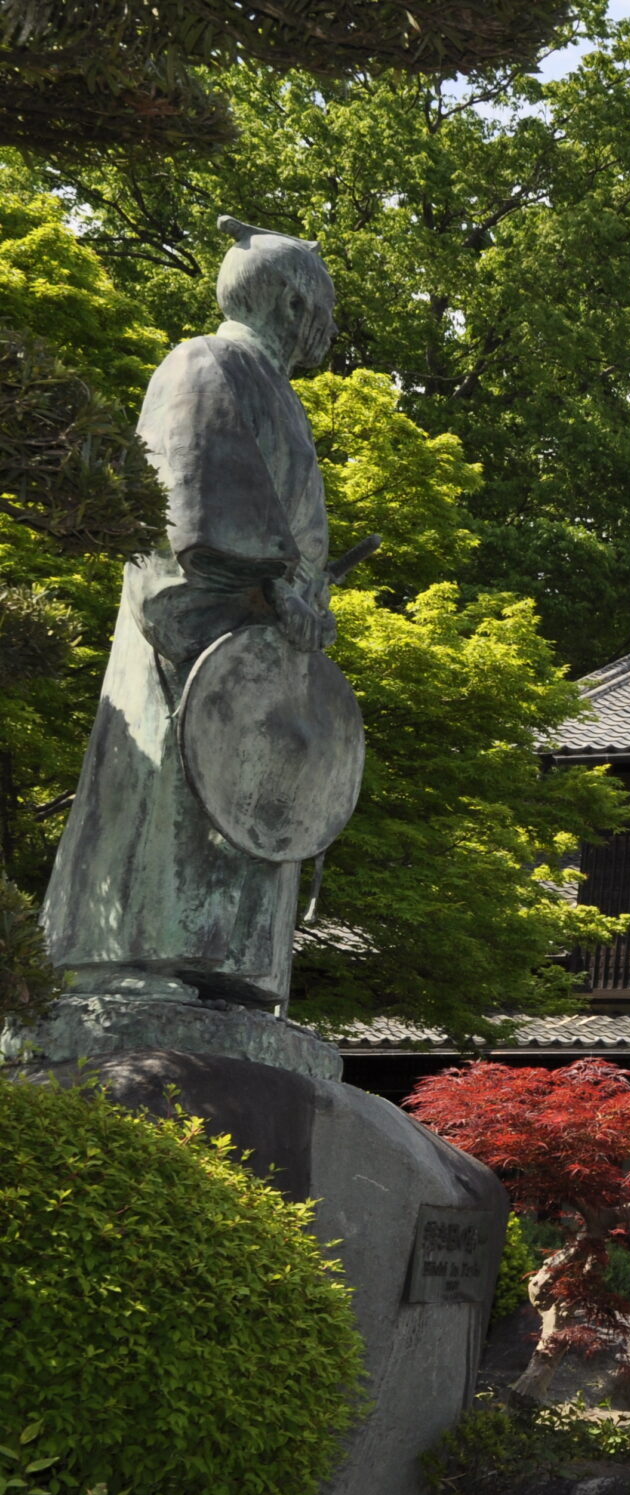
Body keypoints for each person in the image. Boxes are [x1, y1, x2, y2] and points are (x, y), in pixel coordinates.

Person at [42, 218, 350, 1009]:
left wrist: (308, 601)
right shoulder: (203, 363)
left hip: (263, 642)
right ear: (288, 301)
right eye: (323, 307)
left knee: (256, 791)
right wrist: (269, 584)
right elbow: (191, 501)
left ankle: (231, 970)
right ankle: (129, 960)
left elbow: (296, 544)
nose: (328, 328)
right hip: (198, 633)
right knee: (166, 798)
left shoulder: (277, 393)